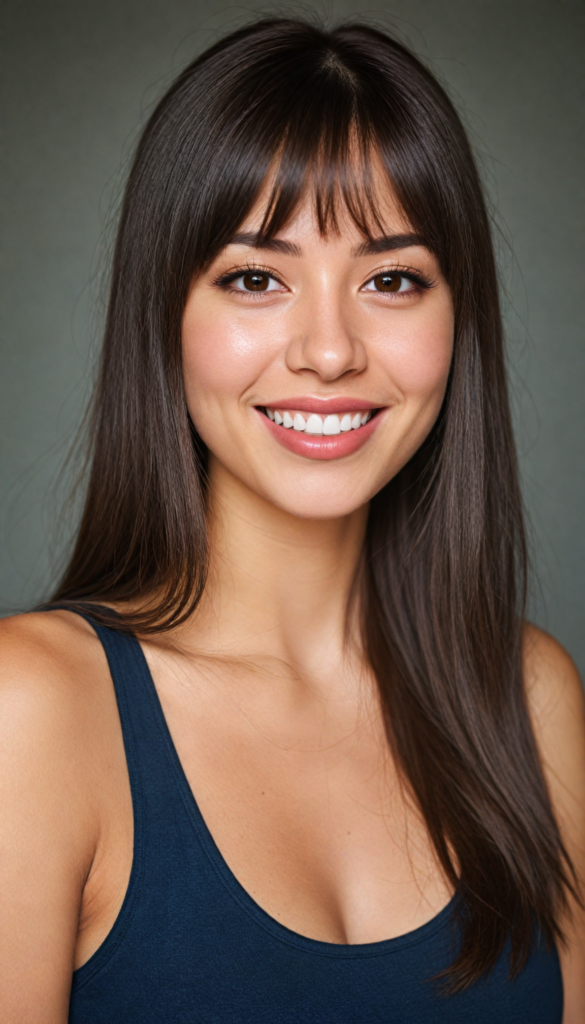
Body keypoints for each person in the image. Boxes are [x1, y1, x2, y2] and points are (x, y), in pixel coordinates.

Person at [0, 18, 583, 1023]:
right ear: (165, 314)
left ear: (460, 319)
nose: (328, 350)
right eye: (255, 277)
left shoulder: (530, 697)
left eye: (393, 278)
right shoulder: (35, 709)